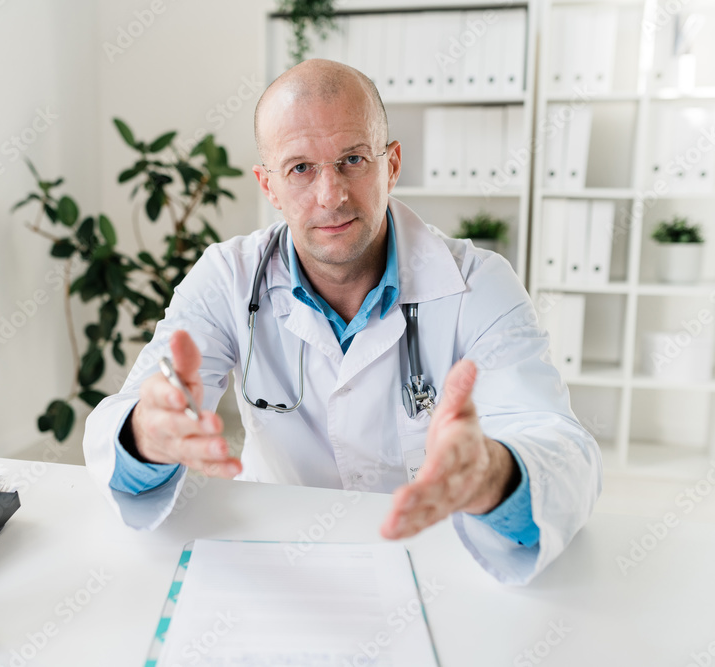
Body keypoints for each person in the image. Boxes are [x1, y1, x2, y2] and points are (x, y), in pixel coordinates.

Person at [83, 59, 601, 584]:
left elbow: (561, 445)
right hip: (280, 562)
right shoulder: (227, 279)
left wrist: (493, 474)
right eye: (300, 168)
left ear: (392, 164)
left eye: (352, 159)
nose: (331, 195)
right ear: (269, 187)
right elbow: (125, 415)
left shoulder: (479, 284)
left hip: (431, 561)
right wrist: (148, 434)